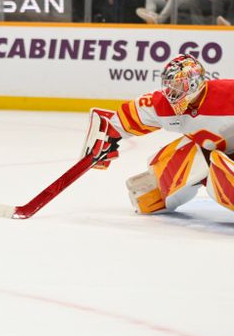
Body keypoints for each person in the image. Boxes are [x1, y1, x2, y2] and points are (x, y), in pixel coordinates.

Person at [84, 55, 234, 218]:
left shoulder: (227, 93)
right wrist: (105, 137)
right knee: (150, 193)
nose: (172, 91)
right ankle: (162, 192)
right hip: (219, 152)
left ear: (194, 83)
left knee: (221, 168)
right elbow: (126, 117)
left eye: (178, 85)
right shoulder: (165, 105)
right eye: (170, 85)